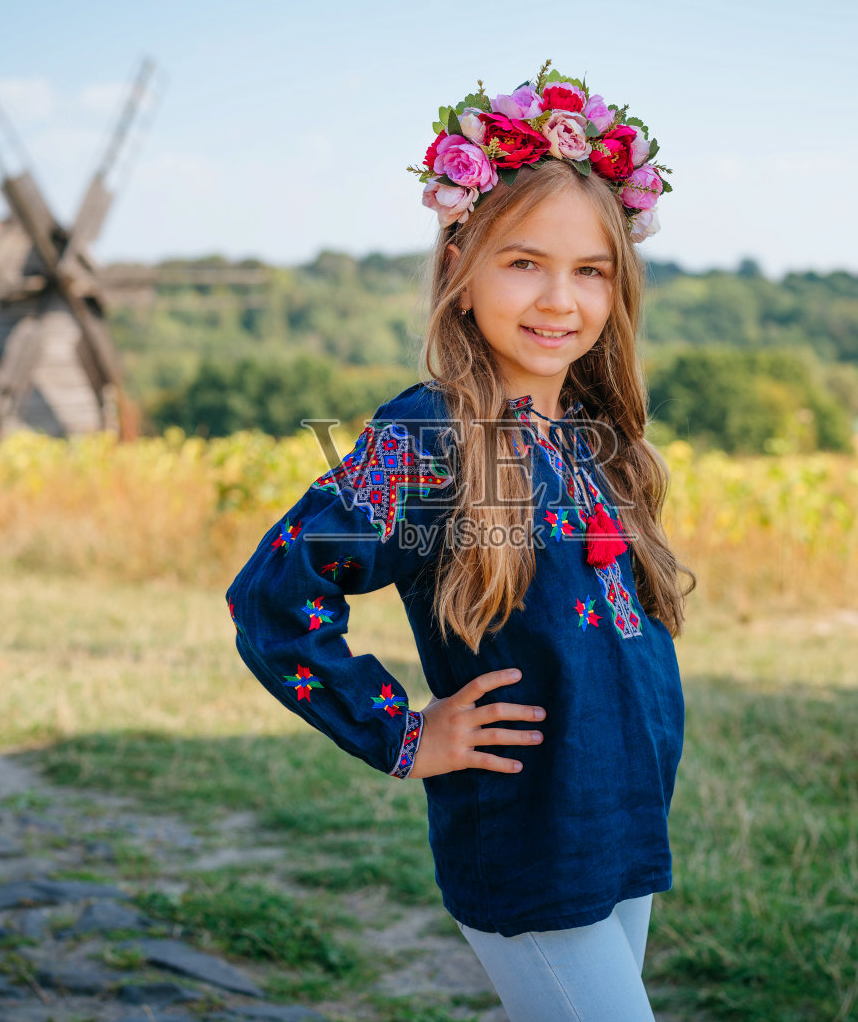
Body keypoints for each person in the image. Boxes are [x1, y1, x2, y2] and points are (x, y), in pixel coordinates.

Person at [225, 64, 694, 1021]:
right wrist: (405, 731)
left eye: (590, 270)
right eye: (524, 262)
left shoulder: (590, 432)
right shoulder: (433, 434)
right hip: (533, 841)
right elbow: (275, 595)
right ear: (458, 267)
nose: (559, 297)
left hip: (617, 821)